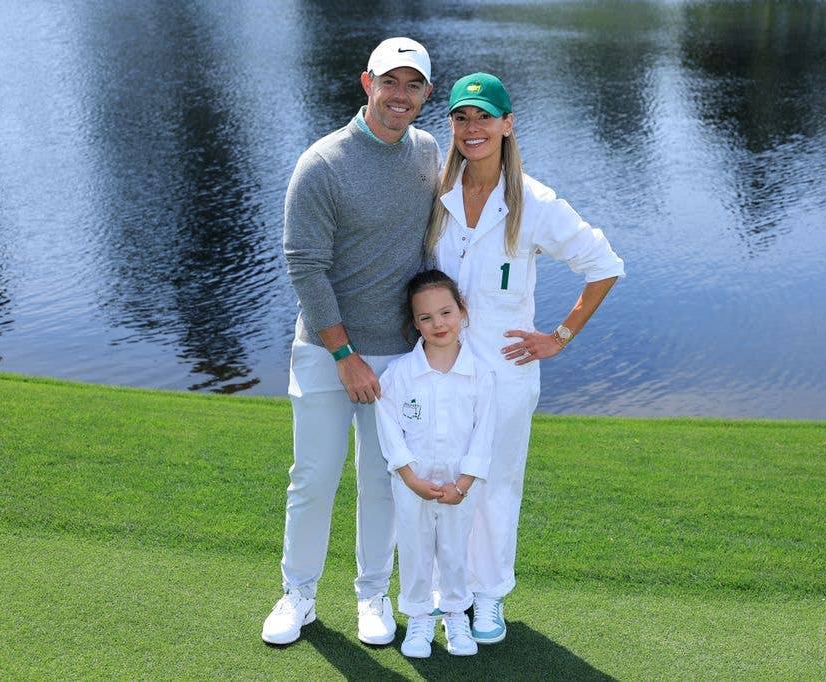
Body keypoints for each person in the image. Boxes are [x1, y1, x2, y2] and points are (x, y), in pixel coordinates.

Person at [425, 72, 625, 644]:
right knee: (441, 482)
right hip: (441, 374)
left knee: (495, 489)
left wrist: (559, 336)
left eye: (484, 117)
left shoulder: (534, 203)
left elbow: (604, 263)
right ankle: (446, 596)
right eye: (461, 117)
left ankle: (488, 599)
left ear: (508, 125)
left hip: (507, 376)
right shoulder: (433, 195)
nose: (472, 128)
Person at [261, 37, 439, 646]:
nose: (401, 95)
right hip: (325, 350)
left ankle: (372, 596)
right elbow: (304, 265)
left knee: (383, 480)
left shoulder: (427, 153)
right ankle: (299, 594)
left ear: (426, 95)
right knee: (313, 475)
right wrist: (344, 355)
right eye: (391, 82)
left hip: (398, 353)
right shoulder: (323, 163)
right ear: (368, 83)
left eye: (413, 85)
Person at [375, 270, 495, 658]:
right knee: (413, 547)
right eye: (425, 318)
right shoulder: (399, 375)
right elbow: (390, 429)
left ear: (462, 311)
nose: (438, 324)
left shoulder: (480, 374)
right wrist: (410, 477)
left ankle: (456, 613)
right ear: (414, 324)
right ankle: (419, 617)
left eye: (446, 312)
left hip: (461, 486)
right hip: (413, 484)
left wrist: (463, 483)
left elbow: (484, 434)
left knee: (456, 550)